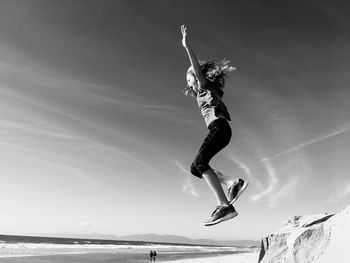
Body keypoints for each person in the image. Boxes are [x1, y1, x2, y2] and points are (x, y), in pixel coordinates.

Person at [181, 25, 249, 226]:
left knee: (201, 162)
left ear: (197, 76)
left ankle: (225, 205)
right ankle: (232, 183)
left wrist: (187, 47)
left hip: (219, 128)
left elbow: (195, 69)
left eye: (189, 78)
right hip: (219, 130)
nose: (188, 82)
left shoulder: (204, 85)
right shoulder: (201, 93)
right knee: (195, 168)